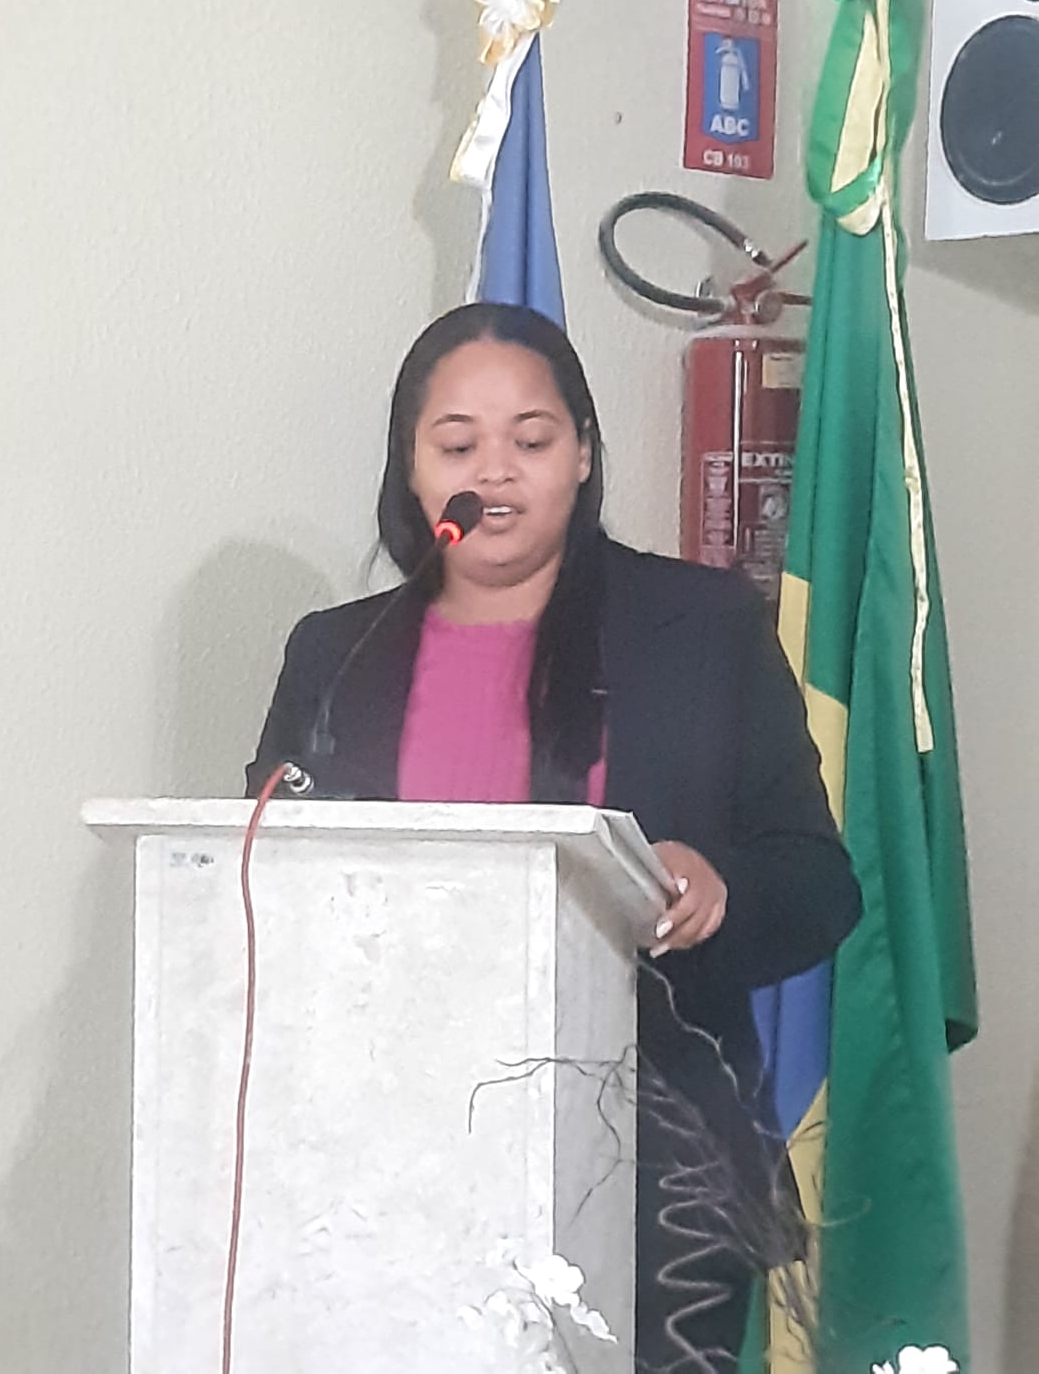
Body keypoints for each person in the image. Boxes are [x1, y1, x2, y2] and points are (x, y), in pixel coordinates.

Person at [246, 301, 862, 1370]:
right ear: (411, 469)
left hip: (652, 1171)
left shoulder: (700, 628)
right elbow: (272, 877)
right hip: (382, 1158)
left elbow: (817, 883)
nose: (495, 470)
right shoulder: (338, 657)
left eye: (530, 440)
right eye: (457, 446)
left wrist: (719, 887)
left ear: (581, 453)